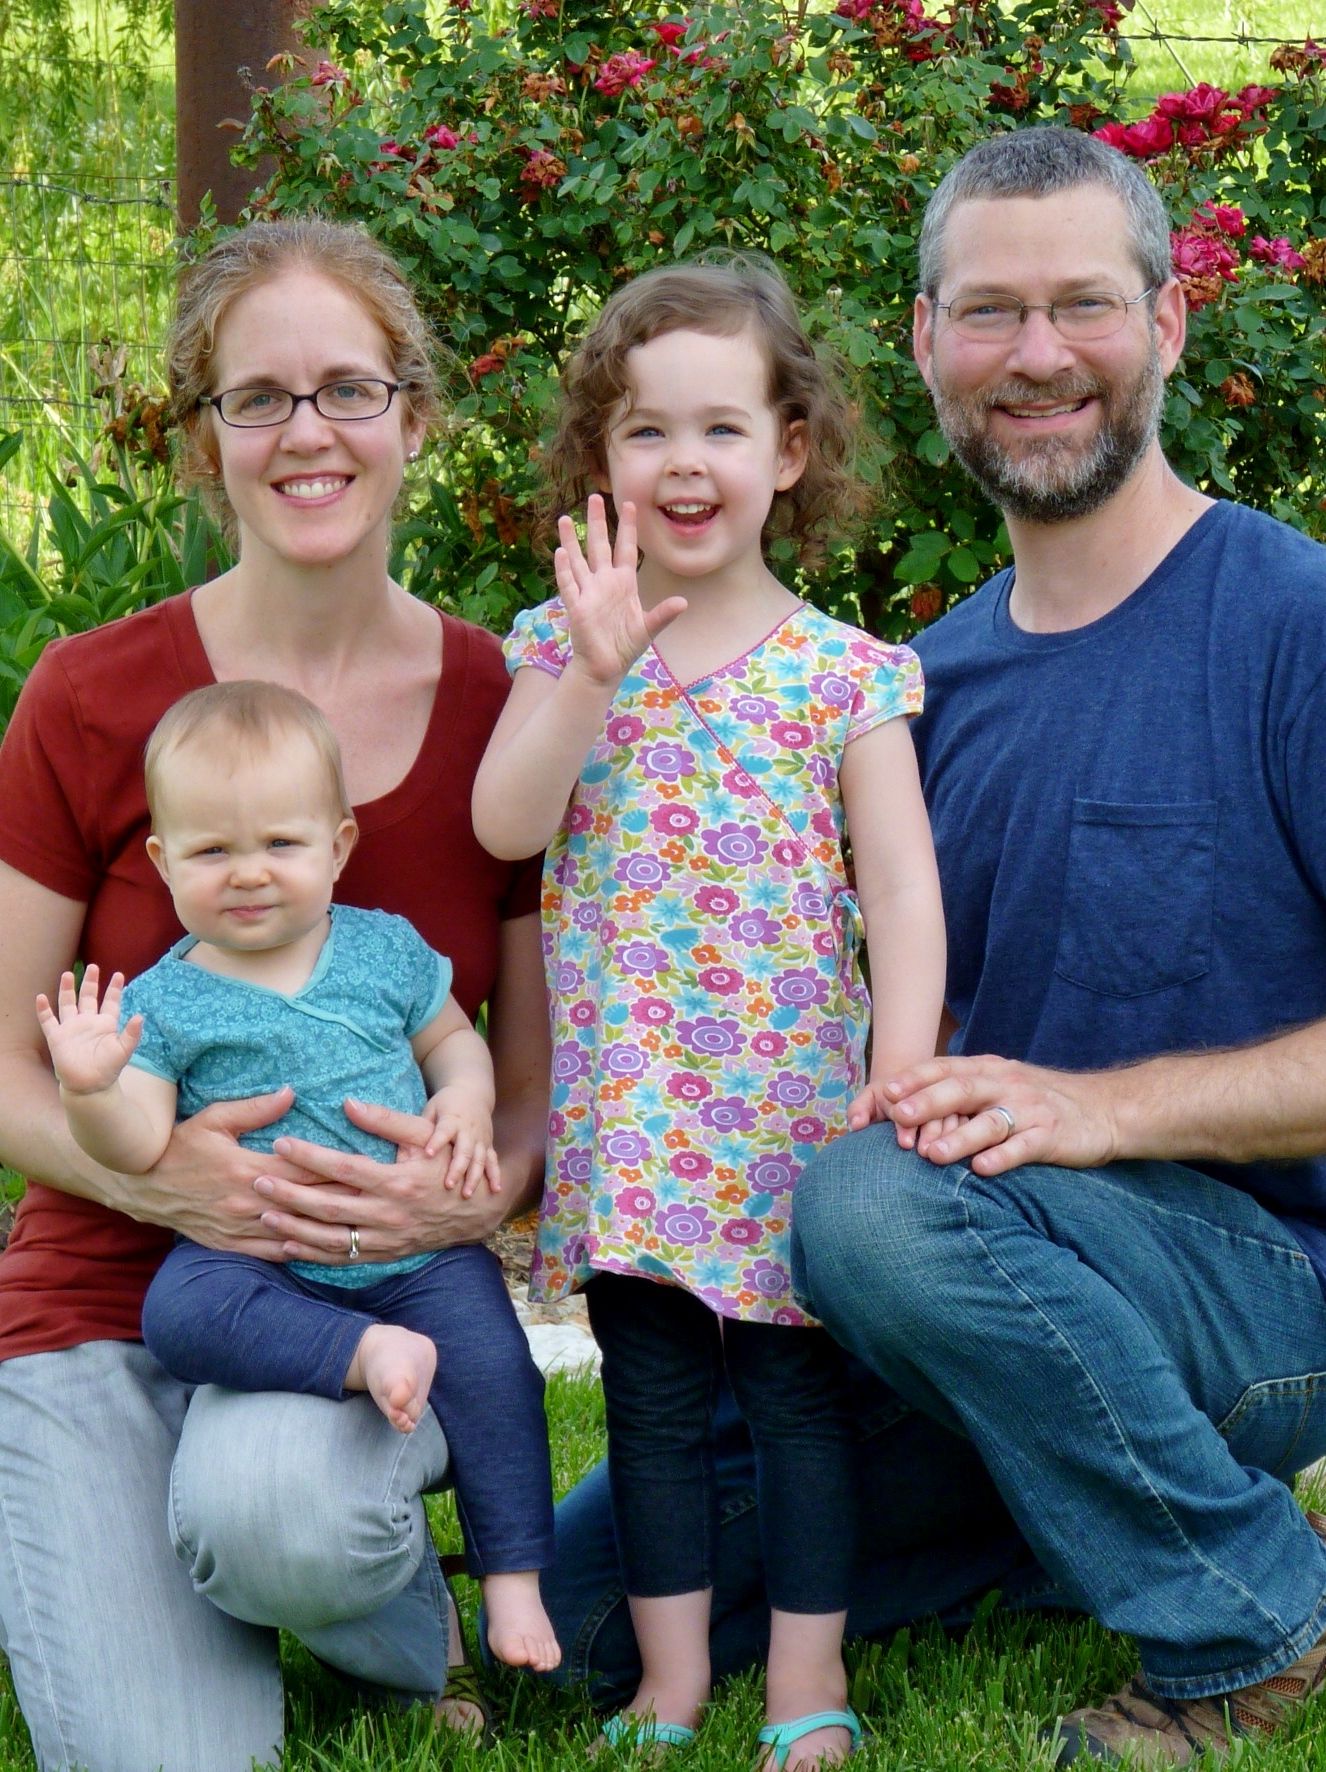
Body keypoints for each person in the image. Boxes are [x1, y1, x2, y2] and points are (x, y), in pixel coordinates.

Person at [539, 127, 1326, 1770]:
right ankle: (1072, 1516)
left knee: (869, 1202)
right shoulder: (916, 688)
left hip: (1253, 1298)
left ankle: (1248, 1614)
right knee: (595, 1602)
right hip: (965, 1293)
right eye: (988, 313)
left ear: (1168, 325)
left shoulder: (1289, 623)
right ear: (923, 343)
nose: (1037, 357)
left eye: (1083, 306)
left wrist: (1105, 1111)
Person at [0, 215, 551, 1772]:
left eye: (348, 391)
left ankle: (387, 1620)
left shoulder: (501, 710)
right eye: (259, 399)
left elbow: (526, 1081)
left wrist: (462, 1203)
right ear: (205, 440)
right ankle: (118, 1542)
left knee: (282, 1525)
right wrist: (162, 1172)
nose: (306, 433)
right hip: (105, 1303)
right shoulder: (92, 696)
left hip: (362, 1296)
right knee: (151, 1758)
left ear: (414, 419)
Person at [472, 256, 946, 1770]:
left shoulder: (841, 677)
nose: (685, 463)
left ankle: (807, 1690)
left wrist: (905, 1070)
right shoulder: (558, 653)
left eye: (723, 429)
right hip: (636, 1125)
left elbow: (905, 895)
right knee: (655, 1406)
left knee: (799, 1411)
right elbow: (502, 823)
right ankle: (668, 1690)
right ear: (599, 461)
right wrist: (589, 677)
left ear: (788, 452)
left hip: (792, 1122)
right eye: (646, 431)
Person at [36, 680, 559, 1673]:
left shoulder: (382, 947)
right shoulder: (168, 996)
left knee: (497, 1366)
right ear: (162, 859)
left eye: (280, 843)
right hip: (258, 1256)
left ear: (339, 844)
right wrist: (95, 1087)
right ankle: (360, 1352)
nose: (250, 874)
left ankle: (515, 1576)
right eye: (212, 850)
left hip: (416, 1251)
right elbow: (134, 1144)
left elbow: (454, 1040)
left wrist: (462, 1101)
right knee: (178, 1312)